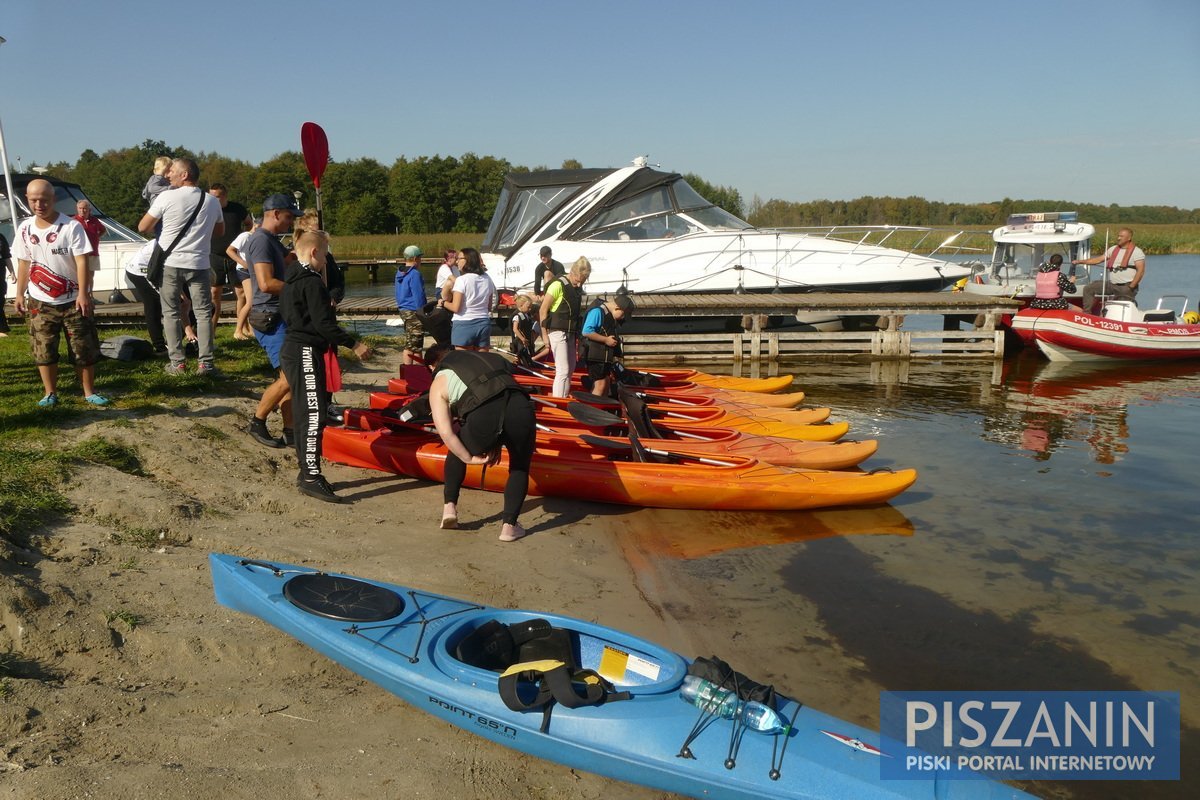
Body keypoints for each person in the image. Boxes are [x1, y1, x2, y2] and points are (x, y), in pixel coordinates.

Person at [280, 229, 372, 503]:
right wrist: (354, 344)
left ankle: (306, 472)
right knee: (312, 414)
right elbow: (324, 324)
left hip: (294, 348)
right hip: (305, 350)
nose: (326, 259)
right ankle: (310, 475)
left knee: (305, 410)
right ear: (314, 252)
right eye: (325, 253)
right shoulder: (311, 283)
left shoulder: (290, 279)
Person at [11, 179, 109, 406]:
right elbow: (24, 263)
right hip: (40, 301)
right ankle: (50, 393)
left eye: (44, 200)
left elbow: (82, 261)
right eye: (34, 200)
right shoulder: (25, 229)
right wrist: (19, 293)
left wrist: (84, 293)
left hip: (74, 300)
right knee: (43, 349)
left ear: (53, 200)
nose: (39, 205)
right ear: (27, 200)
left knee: (83, 349)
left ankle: (88, 391)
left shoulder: (71, 226)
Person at [424, 343, 535, 542]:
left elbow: (447, 434)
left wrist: (469, 457)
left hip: (484, 414)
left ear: (433, 367)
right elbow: (500, 389)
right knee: (519, 467)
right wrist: (498, 438)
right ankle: (509, 527)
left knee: (456, 449)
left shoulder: (439, 381)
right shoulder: (486, 358)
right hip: (521, 406)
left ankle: (449, 509)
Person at [137, 157, 224, 376]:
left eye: (172, 171)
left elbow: (143, 227)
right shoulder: (211, 200)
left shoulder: (166, 196)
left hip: (171, 263)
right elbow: (220, 232)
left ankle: (177, 363)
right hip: (200, 263)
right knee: (204, 313)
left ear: (184, 175)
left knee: (171, 313)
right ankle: (206, 364)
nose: (167, 175)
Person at [244, 194, 304, 448]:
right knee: (290, 377)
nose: (291, 222)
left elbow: (290, 261)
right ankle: (257, 422)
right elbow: (267, 284)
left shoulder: (271, 240)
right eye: (289, 217)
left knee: (288, 375)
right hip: (268, 316)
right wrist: (302, 289)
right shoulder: (260, 241)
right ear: (275, 213)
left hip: (279, 314)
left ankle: (290, 431)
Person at [538, 256, 590, 397]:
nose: (579, 285)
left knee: (571, 368)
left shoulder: (576, 288)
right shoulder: (558, 285)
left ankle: (564, 397)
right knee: (563, 369)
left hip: (571, 332)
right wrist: (544, 335)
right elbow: (543, 310)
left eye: (583, 282)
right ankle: (557, 402)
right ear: (572, 273)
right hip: (557, 331)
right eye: (578, 281)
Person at [208, 183, 252, 327]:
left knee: (241, 293)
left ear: (224, 196)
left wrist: (243, 240)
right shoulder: (207, 210)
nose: (212, 199)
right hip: (215, 255)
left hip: (235, 256)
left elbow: (249, 224)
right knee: (214, 293)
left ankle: (242, 328)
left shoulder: (237, 209)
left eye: (216, 197)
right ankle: (211, 330)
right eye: (210, 196)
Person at [1072, 228, 1145, 314]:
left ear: (1129, 238)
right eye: (1118, 236)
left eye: (1121, 236)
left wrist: (1131, 287)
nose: (1118, 238)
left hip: (1126, 286)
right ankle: (1087, 313)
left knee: (1121, 307)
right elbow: (1098, 260)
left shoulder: (1137, 252)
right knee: (1089, 288)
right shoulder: (1113, 249)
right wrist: (1080, 261)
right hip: (1112, 284)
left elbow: (1141, 271)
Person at [580, 293, 634, 397]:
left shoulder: (611, 314)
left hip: (604, 357)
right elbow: (586, 331)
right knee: (600, 384)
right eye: (623, 315)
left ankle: (601, 407)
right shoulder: (598, 311)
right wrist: (606, 340)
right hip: (595, 356)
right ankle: (593, 410)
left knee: (606, 382)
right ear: (617, 308)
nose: (622, 318)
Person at [443, 247, 496, 351]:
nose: (457, 261)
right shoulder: (487, 278)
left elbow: (455, 307)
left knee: (463, 362)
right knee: (483, 361)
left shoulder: (462, 280)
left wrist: (443, 302)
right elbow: (489, 306)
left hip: (464, 323)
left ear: (468, 260)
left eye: (459, 258)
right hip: (483, 322)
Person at [122, 239, 168, 354]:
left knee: (180, 303)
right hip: (141, 271)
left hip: (154, 267)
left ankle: (172, 341)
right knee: (154, 304)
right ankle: (160, 347)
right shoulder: (165, 242)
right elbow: (156, 270)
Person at [294, 209, 345, 304]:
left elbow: (338, 283)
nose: (320, 237)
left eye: (321, 232)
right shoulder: (292, 258)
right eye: (315, 233)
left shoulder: (326, 257)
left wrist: (332, 298)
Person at [226, 219, 260, 339]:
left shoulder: (256, 237)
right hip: (244, 270)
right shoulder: (245, 236)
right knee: (250, 302)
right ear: (256, 226)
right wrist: (243, 262)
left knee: (248, 300)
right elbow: (229, 250)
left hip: (251, 270)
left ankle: (249, 329)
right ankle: (238, 330)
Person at [394, 244, 426, 364]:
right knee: (414, 345)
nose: (420, 260)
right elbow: (419, 296)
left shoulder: (399, 273)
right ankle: (414, 373)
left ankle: (412, 372)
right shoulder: (415, 274)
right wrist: (423, 311)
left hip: (404, 310)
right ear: (414, 259)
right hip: (414, 311)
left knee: (412, 342)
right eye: (419, 258)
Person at [72, 200, 106, 278]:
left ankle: (90, 291)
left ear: (89, 209)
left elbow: (103, 230)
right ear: (77, 209)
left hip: (93, 252)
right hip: (79, 253)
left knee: (91, 277)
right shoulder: (73, 221)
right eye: (80, 208)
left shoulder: (95, 220)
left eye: (84, 208)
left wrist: (96, 237)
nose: (82, 210)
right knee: (79, 276)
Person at [509, 294, 538, 367]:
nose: (530, 309)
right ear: (521, 305)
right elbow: (515, 329)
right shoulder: (517, 316)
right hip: (519, 342)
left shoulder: (526, 315)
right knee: (520, 356)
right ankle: (520, 367)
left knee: (527, 356)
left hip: (526, 341)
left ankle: (528, 365)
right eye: (528, 307)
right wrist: (523, 339)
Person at [0, 232, 13, 337]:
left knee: (0, 299)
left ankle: (2, 328)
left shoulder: (1, 236)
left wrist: (12, 272)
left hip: (0, 273)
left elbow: (6, 256)